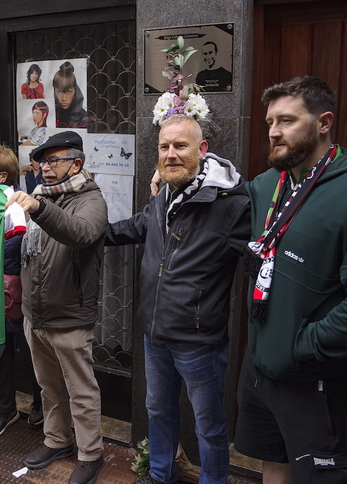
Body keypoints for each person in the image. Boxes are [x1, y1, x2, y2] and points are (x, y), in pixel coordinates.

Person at [234, 76, 347, 483]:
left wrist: (300, 348)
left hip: (314, 378)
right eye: (271, 121)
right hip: (260, 368)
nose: (274, 131)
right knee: (272, 464)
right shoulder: (269, 184)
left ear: (323, 122)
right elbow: (217, 190)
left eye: (287, 120)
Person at [107, 114, 250, 484]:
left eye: (180, 146)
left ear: (202, 150)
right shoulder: (166, 193)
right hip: (155, 334)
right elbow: (139, 226)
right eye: (164, 147)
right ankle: (160, 474)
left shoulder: (231, 203)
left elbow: (258, 259)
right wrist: (89, 231)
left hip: (199, 341)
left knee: (209, 425)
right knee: (158, 410)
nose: (171, 154)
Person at [6, 131, 108, 484]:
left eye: (54, 161)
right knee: (49, 387)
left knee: (81, 391)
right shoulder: (39, 195)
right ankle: (57, 440)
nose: (45, 169)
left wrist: (39, 208)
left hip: (69, 317)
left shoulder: (90, 200)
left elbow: (80, 232)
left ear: (76, 163)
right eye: (42, 162)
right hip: (37, 316)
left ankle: (90, 454)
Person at [0, 145, 43, 439]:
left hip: (18, 293)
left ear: (1, 177)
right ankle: (6, 409)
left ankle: (41, 404)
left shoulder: (21, 204)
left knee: (32, 355)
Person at [53, 62, 87, 129]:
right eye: (59, 92)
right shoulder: (50, 116)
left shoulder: (84, 118)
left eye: (69, 91)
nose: (64, 98)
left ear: (75, 91)